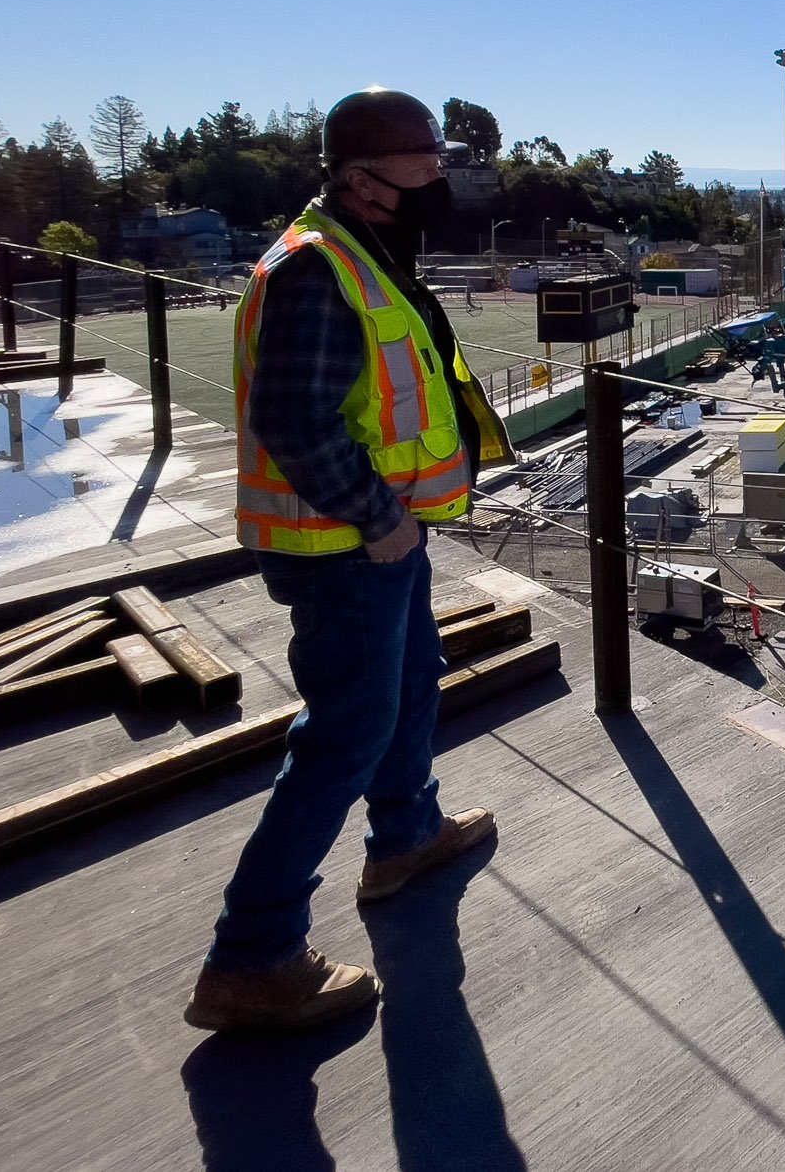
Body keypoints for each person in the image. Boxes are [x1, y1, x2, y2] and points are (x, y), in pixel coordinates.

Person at [184, 88, 514, 1032]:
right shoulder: (317, 270)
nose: (439, 177)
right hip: (343, 548)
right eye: (425, 161)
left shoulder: (365, 254)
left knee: (413, 684)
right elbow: (293, 419)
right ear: (364, 177)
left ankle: (406, 835)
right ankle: (251, 957)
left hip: (378, 540)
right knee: (343, 737)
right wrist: (378, 519)